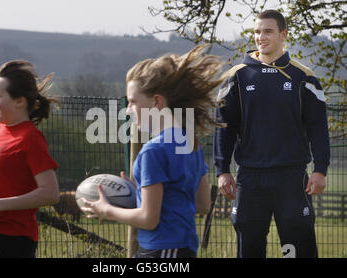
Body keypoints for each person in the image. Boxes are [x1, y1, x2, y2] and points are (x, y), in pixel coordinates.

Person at [80, 44, 225, 258]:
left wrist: (106, 210)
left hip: (160, 251)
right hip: (184, 250)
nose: (128, 110)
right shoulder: (190, 142)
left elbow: (149, 219)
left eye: (132, 102)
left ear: (156, 102)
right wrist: (141, 191)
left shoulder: (153, 151)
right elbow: (202, 204)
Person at [214, 9, 330, 258]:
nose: (260, 37)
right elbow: (225, 127)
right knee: (250, 247)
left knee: (296, 247)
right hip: (250, 177)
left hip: (291, 177)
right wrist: (222, 170)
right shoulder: (237, 77)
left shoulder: (304, 77)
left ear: (283, 34)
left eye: (267, 31)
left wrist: (321, 169)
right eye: (257, 32)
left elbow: (318, 127)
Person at [0, 60, 60, 258]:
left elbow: (51, 193)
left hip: (13, 240)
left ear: (20, 101)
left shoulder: (30, 138)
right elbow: (1, 182)